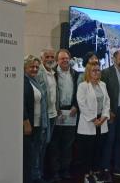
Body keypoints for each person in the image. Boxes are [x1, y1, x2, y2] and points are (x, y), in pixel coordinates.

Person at [100, 50, 120, 181]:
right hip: (112, 113)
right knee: (109, 140)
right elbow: (103, 94)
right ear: (114, 59)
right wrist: (108, 111)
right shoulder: (106, 73)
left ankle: (117, 167)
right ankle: (106, 168)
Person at [77, 62, 111, 183]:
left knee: (98, 150)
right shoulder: (83, 86)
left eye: (98, 70)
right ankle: (87, 174)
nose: (97, 72)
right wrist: (93, 119)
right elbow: (81, 104)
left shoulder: (103, 84)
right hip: (89, 123)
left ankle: (96, 172)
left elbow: (107, 102)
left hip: (101, 122)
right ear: (88, 72)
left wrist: (104, 117)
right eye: (94, 70)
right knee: (88, 151)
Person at [49, 49, 79, 181]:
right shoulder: (52, 73)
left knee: (68, 144)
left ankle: (65, 169)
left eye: (67, 58)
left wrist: (76, 106)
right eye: (62, 59)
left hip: (71, 112)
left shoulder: (75, 74)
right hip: (57, 112)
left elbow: (79, 92)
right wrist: (56, 108)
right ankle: (54, 171)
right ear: (57, 60)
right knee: (55, 144)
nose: (65, 60)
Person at [23, 55, 50, 183]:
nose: (34, 69)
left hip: (38, 123)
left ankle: (35, 177)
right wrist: (25, 121)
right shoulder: (23, 81)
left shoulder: (35, 81)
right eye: (31, 67)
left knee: (36, 153)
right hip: (29, 125)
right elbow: (21, 103)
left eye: (36, 67)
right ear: (24, 67)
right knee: (29, 155)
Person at [37, 49, 59, 180]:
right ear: (42, 59)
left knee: (47, 146)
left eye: (52, 57)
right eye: (47, 57)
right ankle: (38, 175)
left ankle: (42, 173)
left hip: (53, 115)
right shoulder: (39, 72)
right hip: (43, 116)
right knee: (40, 147)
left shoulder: (53, 73)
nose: (50, 59)